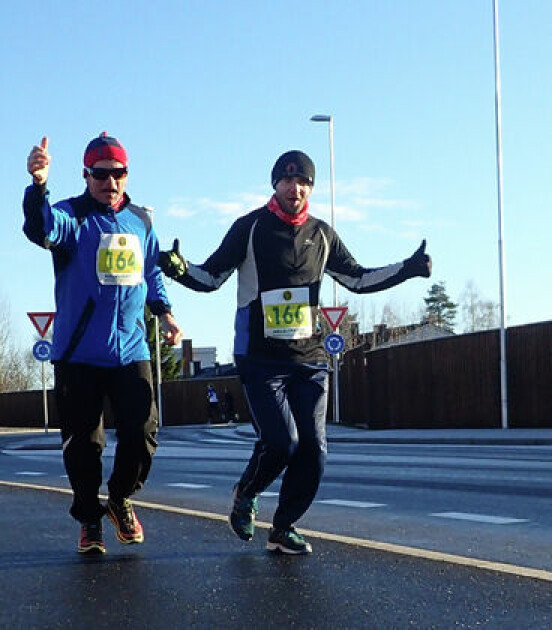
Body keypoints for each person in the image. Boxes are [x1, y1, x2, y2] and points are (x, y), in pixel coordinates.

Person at [159, 150, 431, 555]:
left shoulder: (322, 235)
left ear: (311, 188)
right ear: (275, 184)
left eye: (303, 181)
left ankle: (284, 526)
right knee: (282, 441)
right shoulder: (249, 228)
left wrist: (406, 269)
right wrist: (179, 269)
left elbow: (357, 279)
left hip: (309, 360)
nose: (295, 188)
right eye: (287, 181)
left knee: (314, 451)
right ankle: (246, 494)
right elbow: (212, 276)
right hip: (260, 357)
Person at [23, 133, 182, 554]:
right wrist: (38, 185)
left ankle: (119, 498)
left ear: (127, 175)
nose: (109, 182)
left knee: (143, 432)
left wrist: (164, 313)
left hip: (131, 349)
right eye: (100, 175)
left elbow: (152, 271)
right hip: (79, 353)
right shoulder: (70, 217)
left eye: (118, 174)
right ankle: (89, 520)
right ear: (86, 175)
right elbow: (40, 228)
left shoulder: (141, 221)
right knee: (85, 445)